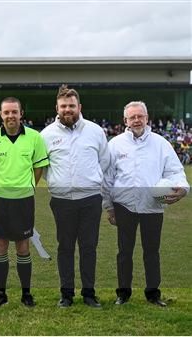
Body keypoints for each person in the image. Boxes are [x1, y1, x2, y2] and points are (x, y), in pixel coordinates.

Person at [103, 101, 189, 307]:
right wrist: (109, 207)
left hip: (153, 206)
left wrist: (182, 187)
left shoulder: (161, 144)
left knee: (152, 252)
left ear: (147, 118)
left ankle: (153, 293)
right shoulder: (115, 144)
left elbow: (175, 172)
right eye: (132, 117)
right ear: (125, 121)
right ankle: (123, 293)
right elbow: (107, 178)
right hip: (124, 206)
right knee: (124, 251)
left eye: (140, 116)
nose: (136, 120)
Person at [40, 85, 110, 308]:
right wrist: (57, 183)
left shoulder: (95, 131)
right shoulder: (46, 135)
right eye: (63, 106)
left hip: (90, 200)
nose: (67, 109)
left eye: (71, 105)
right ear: (57, 108)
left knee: (89, 247)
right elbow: (43, 168)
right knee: (65, 247)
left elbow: (105, 163)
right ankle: (67, 294)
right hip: (62, 201)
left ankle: (89, 293)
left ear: (79, 107)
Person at [0, 97, 49, 307]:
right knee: (0, 245)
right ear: (1, 115)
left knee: (22, 245)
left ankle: (26, 293)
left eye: (14, 112)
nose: (11, 116)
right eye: (6, 112)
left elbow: (38, 168)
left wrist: (27, 185)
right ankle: (1, 293)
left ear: (21, 114)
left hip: (23, 200)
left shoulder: (34, 138)